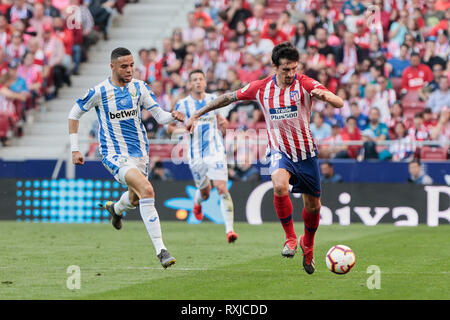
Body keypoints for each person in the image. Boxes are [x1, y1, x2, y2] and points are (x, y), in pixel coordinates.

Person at [185, 42, 344, 274]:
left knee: (313, 206)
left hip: (306, 153)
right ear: (274, 67)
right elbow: (228, 98)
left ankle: (307, 244)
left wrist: (327, 97)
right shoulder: (261, 88)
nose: (290, 74)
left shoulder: (305, 83)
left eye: (293, 69)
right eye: (285, 70)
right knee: (279, 186)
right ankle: (290, 238)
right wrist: (198, 113)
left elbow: (338, 101)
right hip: (279, 151)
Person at [67, 47, 184, 268]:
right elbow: (74, 114)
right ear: (112, 67)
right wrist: (75, 149)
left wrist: (173, 116)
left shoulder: (139, 87)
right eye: (124, 66)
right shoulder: (99, 92)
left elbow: (159, 116)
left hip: (140, 154)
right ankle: (161, 250)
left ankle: (116, 209)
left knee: (136, 198)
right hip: (114, 154)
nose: (129, 70)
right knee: (147, 190)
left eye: (132, 65)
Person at [167, 69, 238, 243]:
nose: (198, 82)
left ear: (205, 82)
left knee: (221, 188)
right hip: (195, 154)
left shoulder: (213, 100)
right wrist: (182, 129)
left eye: (200, 79)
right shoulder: (182, 104)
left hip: (215, 151)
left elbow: (220, 119)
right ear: (189, 84)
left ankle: (230, 231)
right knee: (205, 192)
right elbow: (169, 128)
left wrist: (223, 123)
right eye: (194, 79)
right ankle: (198, 203)